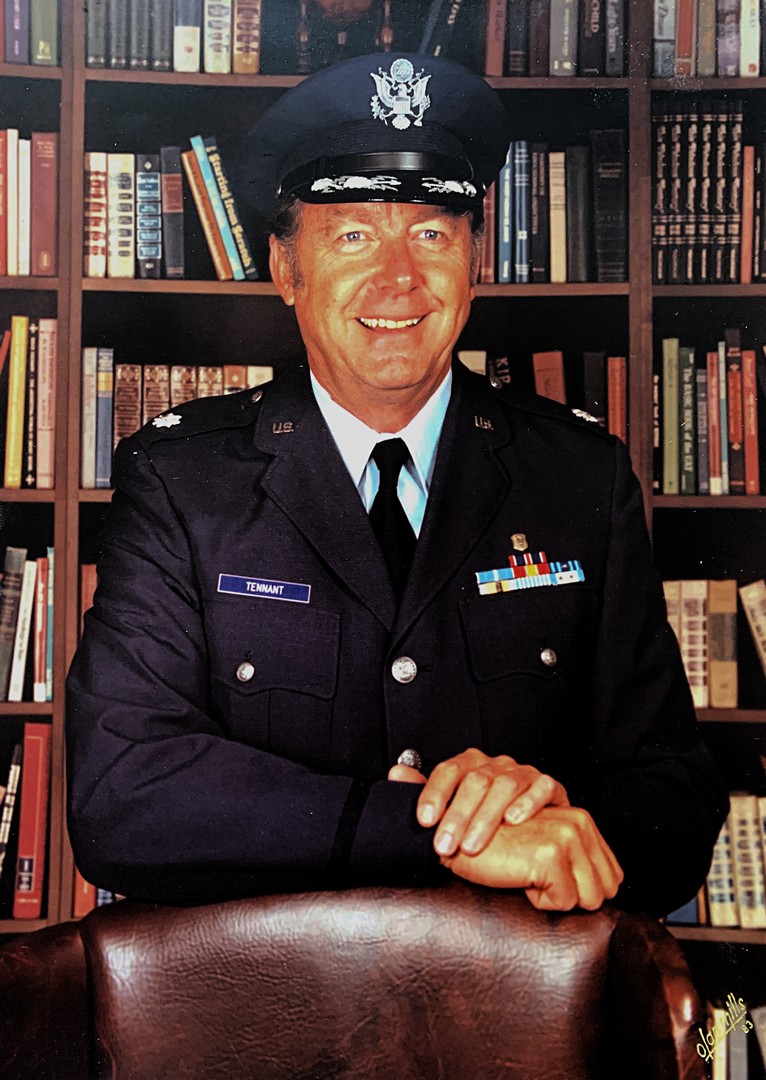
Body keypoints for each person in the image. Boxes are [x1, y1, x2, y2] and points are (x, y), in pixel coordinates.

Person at [66, 52, 728, 916]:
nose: (398, 278)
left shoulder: (578, 475)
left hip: (513, 992)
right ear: (284, 269)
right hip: (271, 995)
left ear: (475, 261)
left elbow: (676, 805)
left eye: (431, 234)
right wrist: (445, 836)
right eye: (352, 236)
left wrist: (556, 818)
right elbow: (121, 798)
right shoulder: (182, 482)